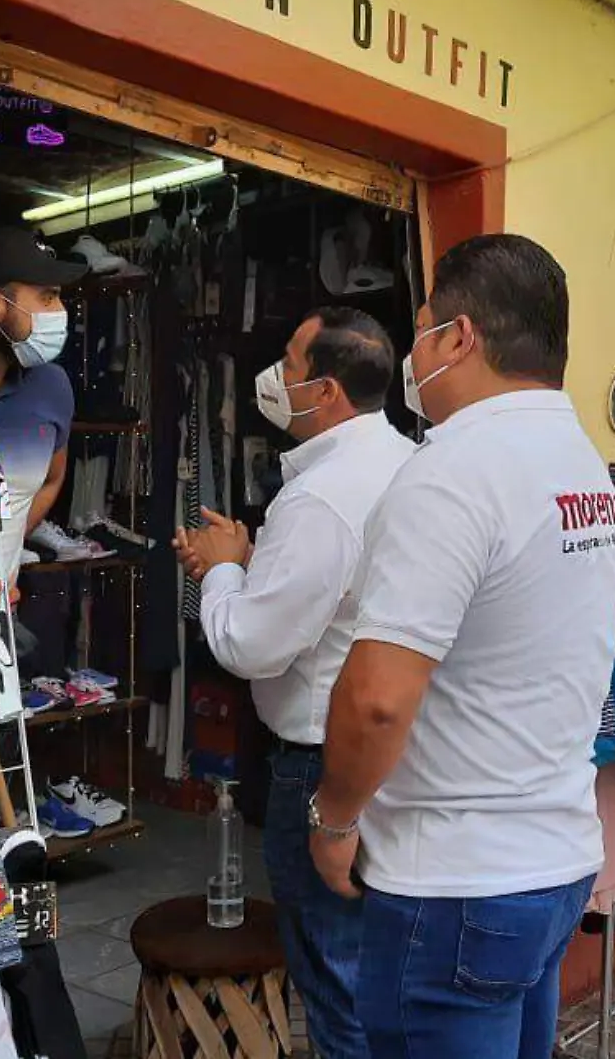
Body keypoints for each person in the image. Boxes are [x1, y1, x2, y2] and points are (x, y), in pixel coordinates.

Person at [307, 234, 615, 1059]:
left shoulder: (454, 471)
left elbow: (378, 697)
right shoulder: (583, 465)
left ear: (458, 338)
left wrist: (334, 819)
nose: (413, 354)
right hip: (551, 864)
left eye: (420, 330)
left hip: (454, 886)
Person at [172, 307, 412, 1059]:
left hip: (322, 763)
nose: (272, 378)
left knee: (334, 979)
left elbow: (253, 644)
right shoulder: (405, 462)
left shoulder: (322, 499)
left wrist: (223, 569)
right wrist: (249, 559)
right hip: (397, 751)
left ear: (329, 391)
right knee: (376, 969)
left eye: (289, 363)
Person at [0, 225, 86, 582]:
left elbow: (52, 478)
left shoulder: (51, 386)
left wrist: (6, 544)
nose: (61, 311)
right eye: (48, 298)